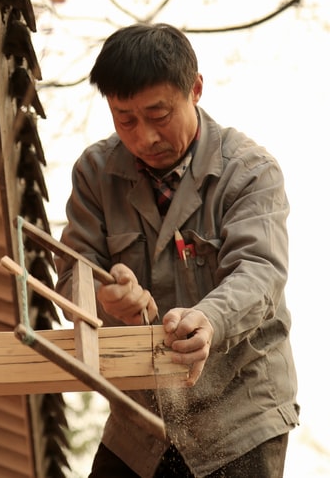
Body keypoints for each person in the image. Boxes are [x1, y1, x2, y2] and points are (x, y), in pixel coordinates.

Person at [54, 23, 299, 478]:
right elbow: (73, 272)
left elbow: (260, 271)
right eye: (125, 119)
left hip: (240, 417)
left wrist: (210, 319)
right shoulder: (94, 172)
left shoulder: (249, 171)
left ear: (196, 89)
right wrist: (103, 298)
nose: (144, 136)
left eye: (159, 114)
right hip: (138, 424)